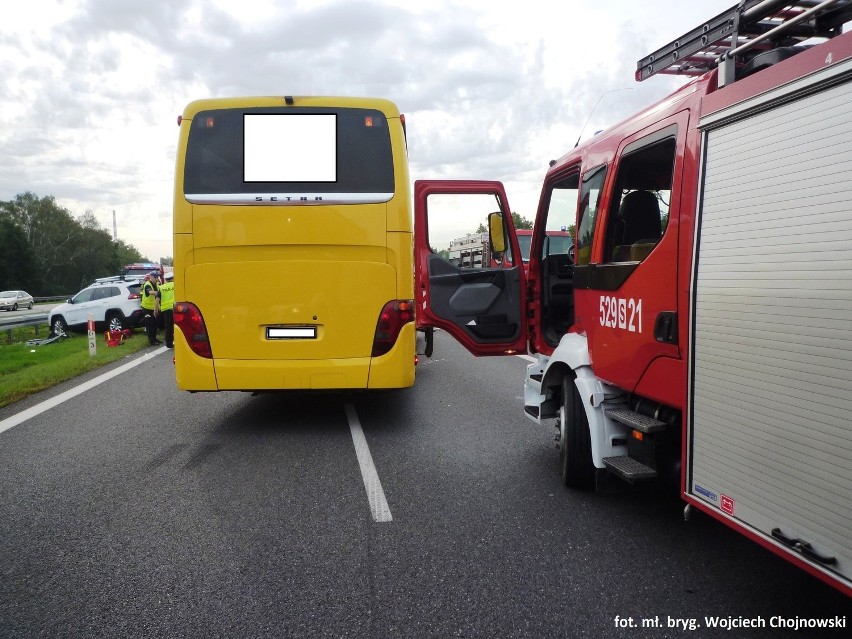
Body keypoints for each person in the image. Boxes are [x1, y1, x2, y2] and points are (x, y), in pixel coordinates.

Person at [141, 271, 161, 346]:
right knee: (150, 325)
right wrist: (159, 293)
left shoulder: (157, 284)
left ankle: (155, 339)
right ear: (151, 277)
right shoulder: (147, 284)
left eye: (157, 277)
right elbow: (150, 292)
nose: (157, 278)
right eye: (155, 277)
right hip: (146, 308)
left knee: (155, 324)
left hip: (153, 308)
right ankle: (152, 341)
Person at [158, 274, 175, 348]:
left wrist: (156, 310)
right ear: (173, 278)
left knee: (168, 327)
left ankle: (169, 343)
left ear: (165, 279)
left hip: (166, 310)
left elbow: (157, 300)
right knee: (179, 325)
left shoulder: (161, 287)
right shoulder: (176, 285)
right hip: (176, 308)